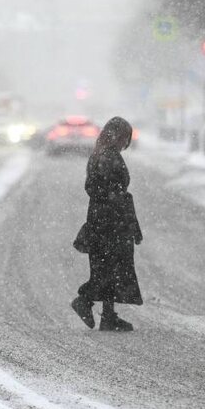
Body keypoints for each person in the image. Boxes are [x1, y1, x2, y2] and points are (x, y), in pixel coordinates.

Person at [71, 117, 143, 331]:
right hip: (111, 221)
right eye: (124, 139)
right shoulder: (110, 157)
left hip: (101, 218)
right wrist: (124, 218)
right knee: (112, 268)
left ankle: (108, 316)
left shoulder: (98, 155)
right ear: (117, 136)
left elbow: (94, 188)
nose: (125, 144)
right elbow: (112, 192)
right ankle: (85, 300)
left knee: (107, 268)